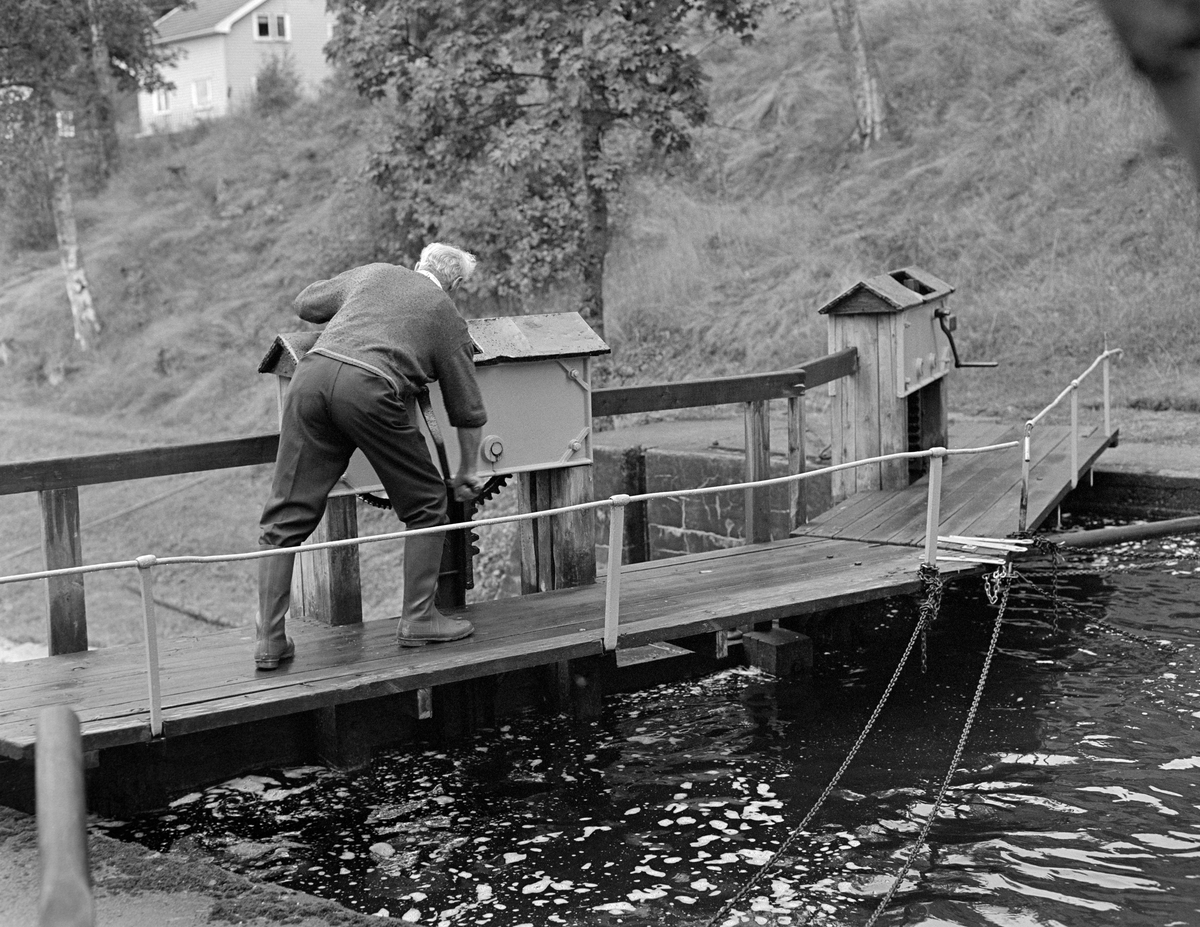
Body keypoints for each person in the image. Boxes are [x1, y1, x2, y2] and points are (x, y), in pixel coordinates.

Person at [254, 243, 487, 670]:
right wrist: (469, 469)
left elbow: (307, 303)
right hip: (369, 389)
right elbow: (467, 410)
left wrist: (354, 299)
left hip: (311, 378)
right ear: (454, 285)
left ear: (418, 264)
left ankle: (269, 642)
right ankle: (419, 620)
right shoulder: (445, 314)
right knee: (427, 504)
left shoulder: (375, 274)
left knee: (285, 517)